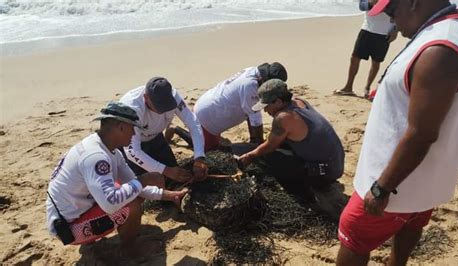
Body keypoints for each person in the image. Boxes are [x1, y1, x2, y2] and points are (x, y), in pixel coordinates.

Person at [336, 1, 458, 265]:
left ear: (413, 2)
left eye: (391, 12)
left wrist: (382, 187)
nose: (391, 23)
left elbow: (421, 133)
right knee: (412, 223)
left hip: (396, 180)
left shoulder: (440, 50)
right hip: (427, 178)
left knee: (352, 234)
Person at [46, 101, 189, 256]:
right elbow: (110, 204)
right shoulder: (96, 157)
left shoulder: (108, 149)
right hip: (68, 229)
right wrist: (144, 180)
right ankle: (130, 250)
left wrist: (169, 195)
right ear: (121, 127)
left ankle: (114, 232)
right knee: (131, 204)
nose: (135, 134)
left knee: (129, 189)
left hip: (74, 211)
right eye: (133, 129)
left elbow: (132, 182)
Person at [239, 79, 345, 201]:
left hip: (325, 174)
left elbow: (269, 147)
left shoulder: (283, 117)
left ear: (278, 101)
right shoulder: (300, 101)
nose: (265, 110)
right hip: (336, 164)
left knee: (268, 161)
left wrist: (250, 155)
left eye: (267, 106)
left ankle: (304, 193)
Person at [167, 62, 288, 152]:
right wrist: (261, 145)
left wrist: (254, 139)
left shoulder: (254, 71)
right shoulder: (250, 86)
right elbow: (255, 118)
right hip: (207, 117)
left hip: (211, 104)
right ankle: (176, 129)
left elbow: (250, 113)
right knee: (207, 149)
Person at [120, 76, 208, 182]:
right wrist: (166, 170)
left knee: (176, 177)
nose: (164, 110)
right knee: (146, 184)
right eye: (160, 106)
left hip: (156, 136)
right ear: (146, 97)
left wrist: (199, 156)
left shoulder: (173, 96)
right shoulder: (132, 108)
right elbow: (132, 151)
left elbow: (193, 122)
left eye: (167, 106)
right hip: (129, 143)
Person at [334, 0, 397, 98]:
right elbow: (362, 6)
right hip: (367, 29)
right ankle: (348, 87)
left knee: (376, 62)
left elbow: (400, 12)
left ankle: (367, 88)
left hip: (384, 33)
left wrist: (395, 30)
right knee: (354, 58)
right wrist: (371, 3)